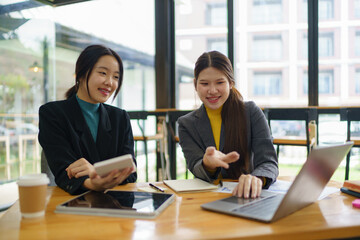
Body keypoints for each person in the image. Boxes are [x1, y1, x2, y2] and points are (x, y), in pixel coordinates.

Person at [178, 51, 278, 199]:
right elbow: (195, 166)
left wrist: (256, 179)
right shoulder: (186, 124)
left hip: (246, 196)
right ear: (195, 84)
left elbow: (268, 162)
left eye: (220, 82)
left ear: (231, 83)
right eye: (204, 83)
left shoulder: (251, 112)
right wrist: (207, 164)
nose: (212, 91)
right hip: (205, 199)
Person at [38, 44, 137, 195]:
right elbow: (63, 170)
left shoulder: (120, 118)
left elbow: (130, 172)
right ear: (82, 73)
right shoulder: (52, 114)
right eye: (103, 73)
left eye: (116, 77)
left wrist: (96, 172)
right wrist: (93, 181)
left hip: (115, 204)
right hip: (72, 204)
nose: (110, 82)